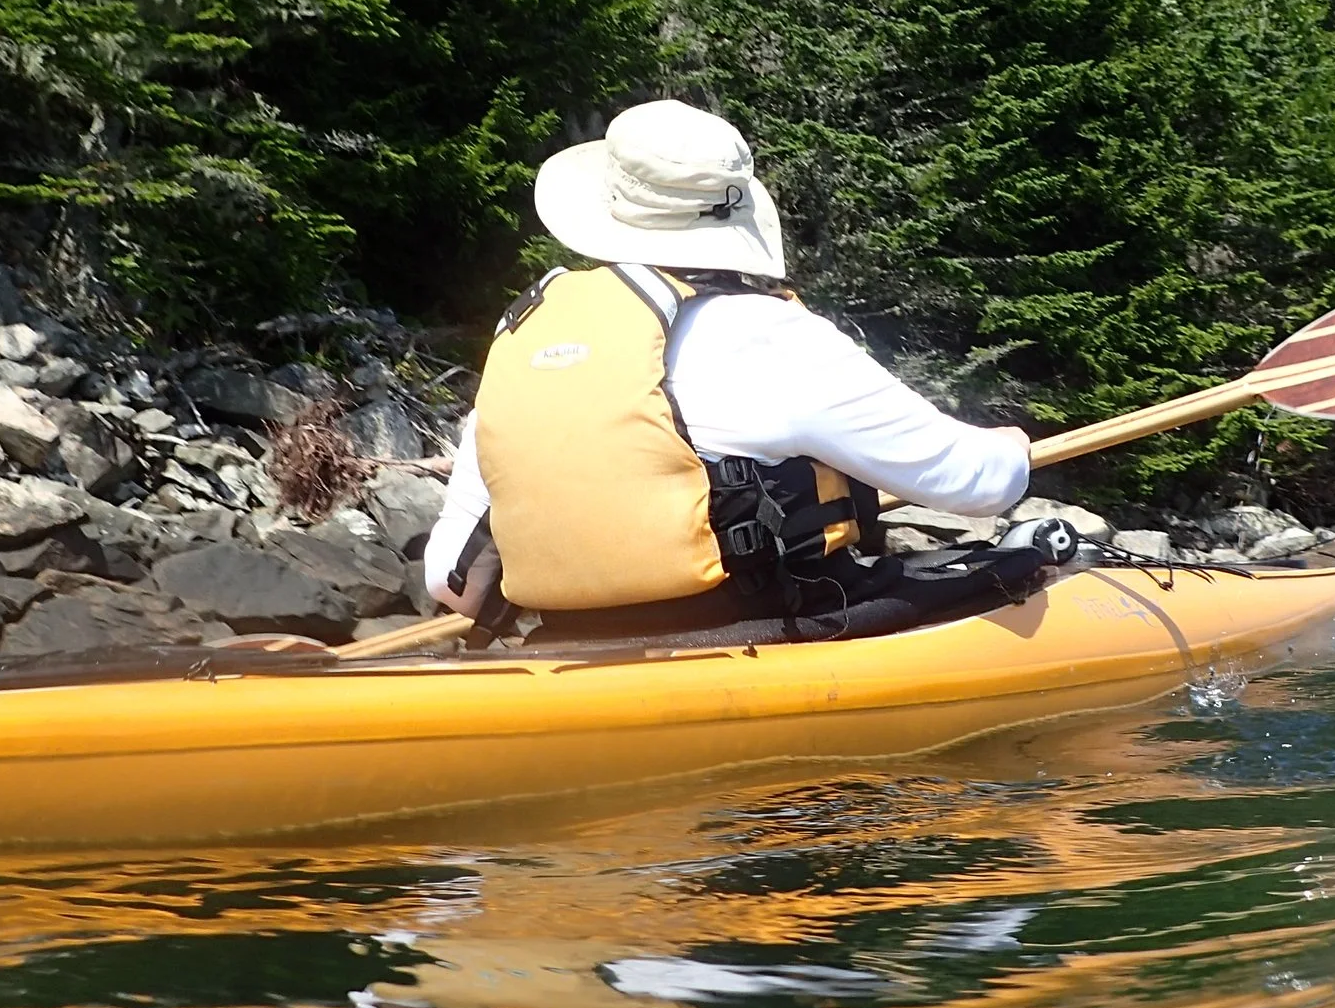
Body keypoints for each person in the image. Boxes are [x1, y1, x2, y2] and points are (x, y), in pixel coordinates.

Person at [422, 99, 1053, 642]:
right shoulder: (769, 335)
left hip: (570, 646)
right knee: (1029, 561)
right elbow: (978, 485)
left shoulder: (527, 336)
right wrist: (1010, 449)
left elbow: (452, 580)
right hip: (761, 628)